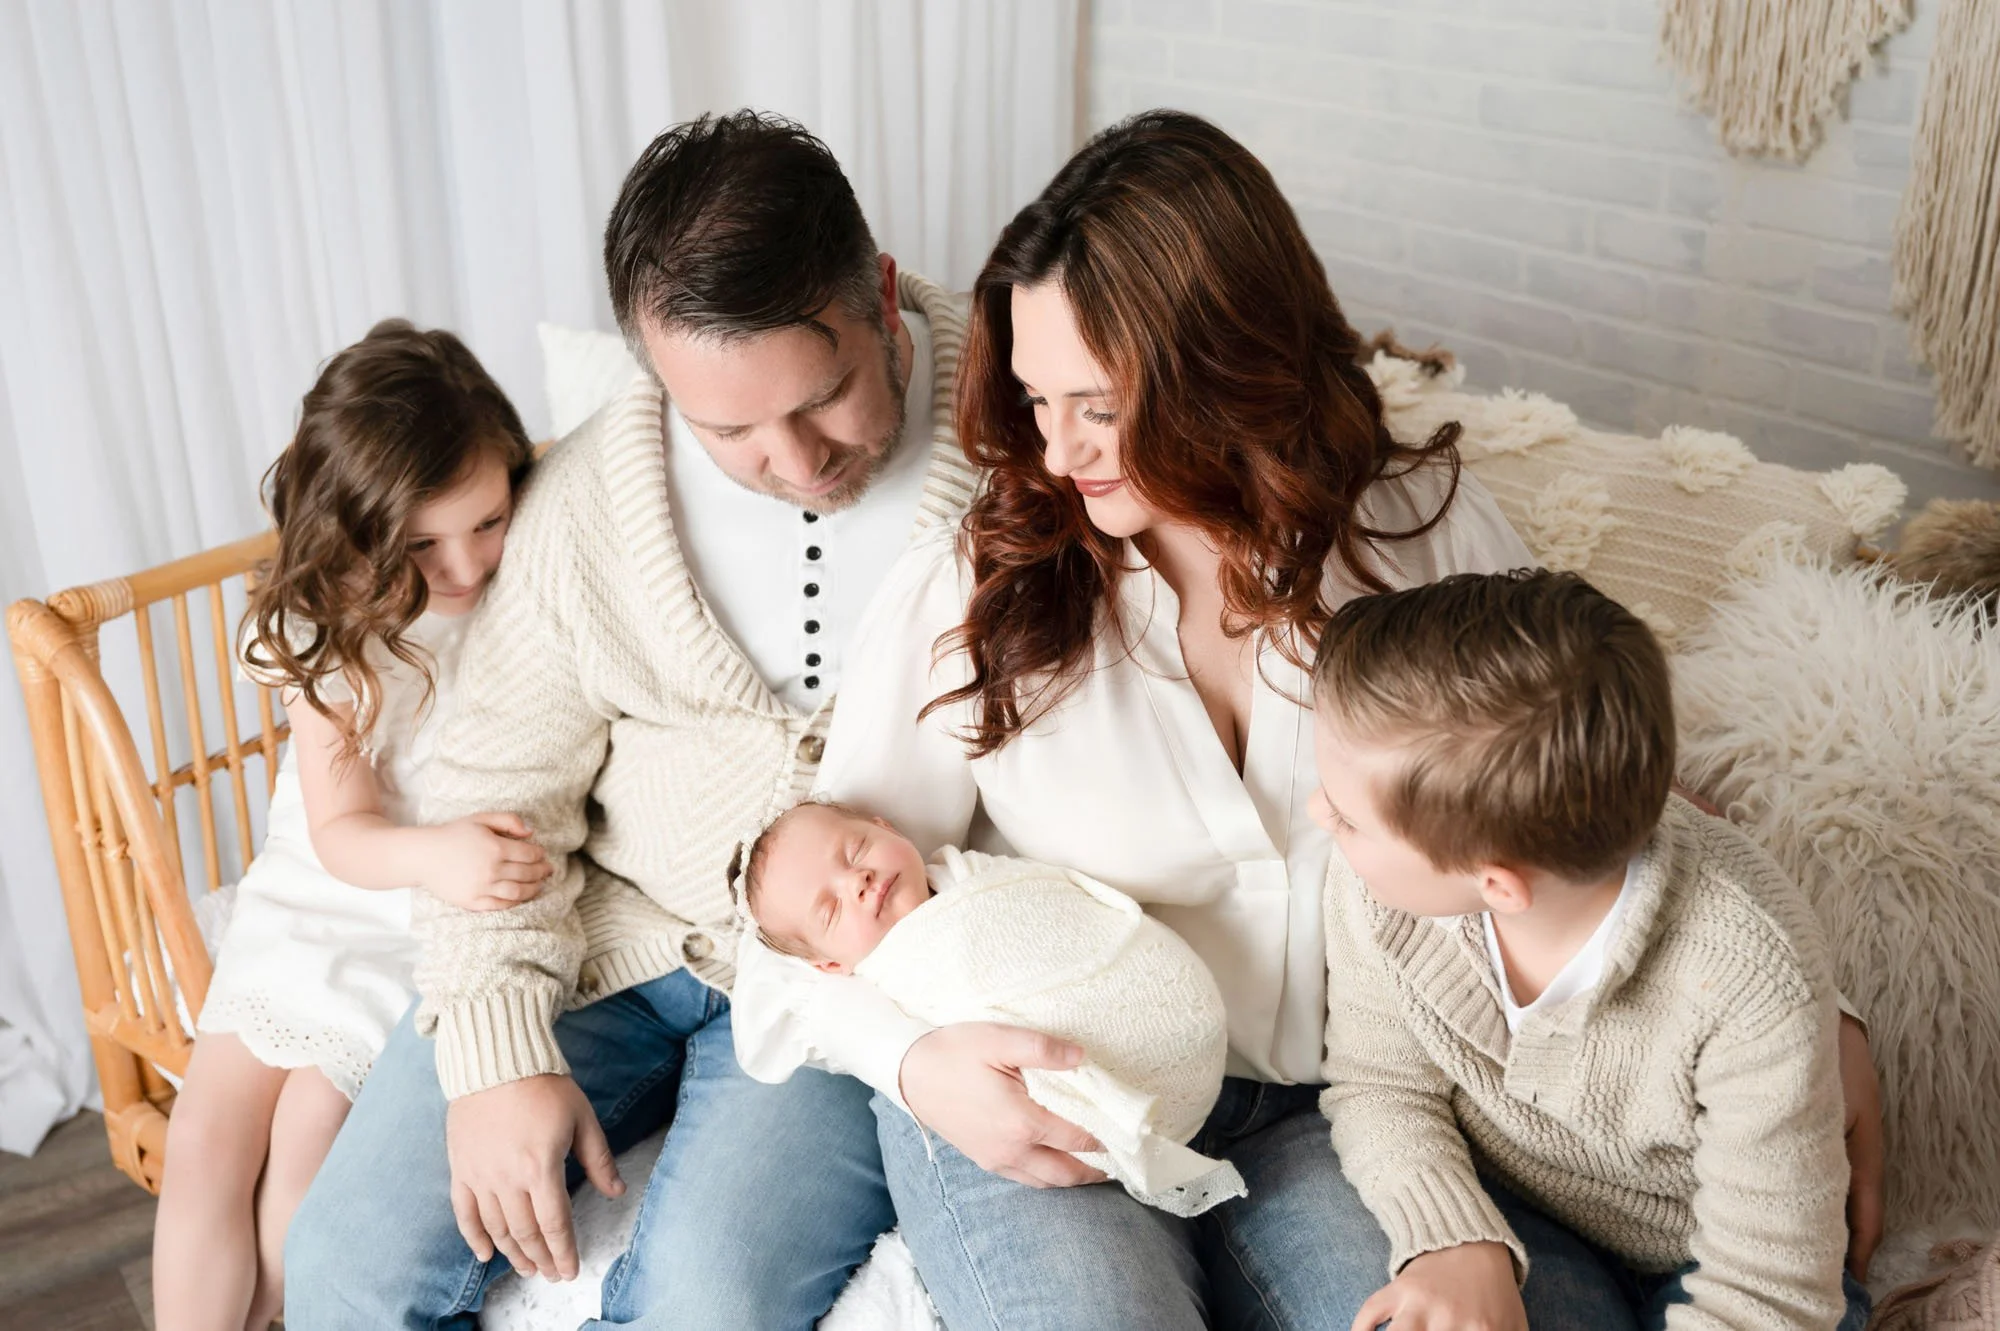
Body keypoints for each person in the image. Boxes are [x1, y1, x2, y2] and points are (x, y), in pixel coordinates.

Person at [734, 108, 1886, 1329]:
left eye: (1097, 404)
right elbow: (787, 926)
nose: (1054, 449)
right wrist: (920, 1067)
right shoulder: (977, 585)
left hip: (1357, 1110)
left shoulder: (1416, 535)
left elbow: (1582, 785)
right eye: (1033, 398)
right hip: (1051, 1095)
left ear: (1225, 362)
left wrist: (1818, 1022)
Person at [282, 111, 975, 1328]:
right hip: (608, 936)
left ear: (875, 295)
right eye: (728, 431)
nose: (795, 459)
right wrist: (497, 1047)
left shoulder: (1026, 436)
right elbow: (503, 784)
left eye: (823, 400)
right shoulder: (593, 495)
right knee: (343, 1262)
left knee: (707, 1301)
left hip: (836, 981)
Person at [1312, 569, 1869, 1331]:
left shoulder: (1746, 974)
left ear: (1497, 885)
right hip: (1522, 1216)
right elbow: (1379, 1083)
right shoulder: (1380, 892)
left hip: (1722, 1258)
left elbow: (1770, 1290)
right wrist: (1449, 1235)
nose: (1319, 816)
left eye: (1346, 817)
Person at [154, 321, 546, 1330]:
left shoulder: (530, 591)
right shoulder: (330, 629)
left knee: (303, 1151)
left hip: (413, 922)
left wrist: (453, 864)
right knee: (203, 1140)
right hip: (326, 883)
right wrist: (443, 850)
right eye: (422, 543)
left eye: (489, 520)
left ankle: (282, 1310)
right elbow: (340, 832)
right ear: (359, 537)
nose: (465, 565)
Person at [741, 798, 1245, 1215]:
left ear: (886, 826)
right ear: (831, 967)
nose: (858, 881)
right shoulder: (891, 982)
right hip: (1069, 1115)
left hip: (1185, 1017)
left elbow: (1064, 910)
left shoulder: (977, 875)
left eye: (856, 850)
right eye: (831, 911)